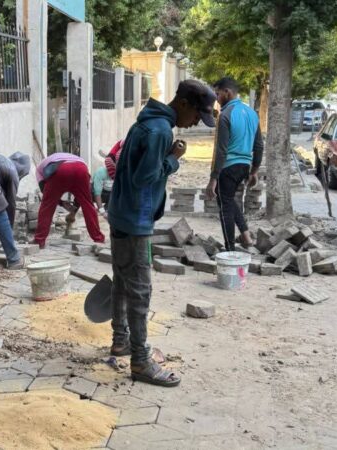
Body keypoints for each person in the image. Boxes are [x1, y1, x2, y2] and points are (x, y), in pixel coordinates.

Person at [108, 80, 217, 387]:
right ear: (182, 103)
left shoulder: (147, 123)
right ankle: (141, 361)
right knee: (140, 289)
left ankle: (121, 341)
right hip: (136, 219)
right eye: (196, 115)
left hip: (121, 212)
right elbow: (144, 177)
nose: (195, 122)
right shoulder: (160, 131)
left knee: (122, 280)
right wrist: (173, 160)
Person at [204, 77, 264, 251]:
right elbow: (259, 145)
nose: (216, 99)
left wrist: (213, 179)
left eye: (217, 94)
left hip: (228, 167)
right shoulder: (252, 113)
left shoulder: (225, 115)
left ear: (227, 92)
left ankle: (230, 250)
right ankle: (246, 236)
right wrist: (254, 171)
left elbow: (221, 150)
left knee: (225, 208)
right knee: (228, 199)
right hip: (244, 167)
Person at [34, 153, 105, 248]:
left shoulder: (39, 170)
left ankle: (39, 240)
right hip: (81, 168)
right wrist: (71, 208)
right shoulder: (75, 158)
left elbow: (45, 193)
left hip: (61, 170)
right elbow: (81, 197)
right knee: (88, 204)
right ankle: (98, 238)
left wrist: (61, 203)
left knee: (47, 207)